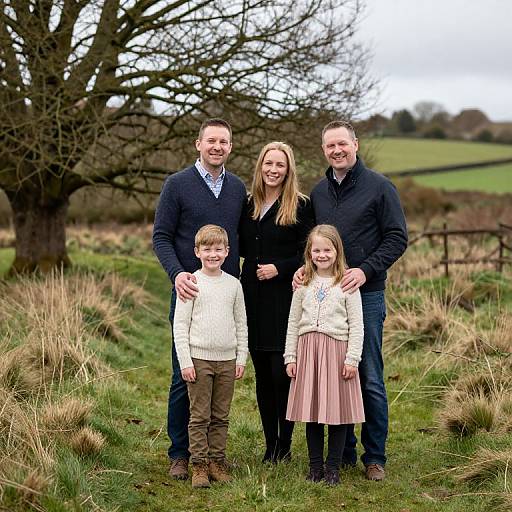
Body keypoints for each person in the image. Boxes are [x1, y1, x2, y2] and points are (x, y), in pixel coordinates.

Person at [295, 120, 408, 481]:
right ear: (324, 150)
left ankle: (374, 456)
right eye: (330, 146)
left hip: (367, 296)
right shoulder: (319, 193)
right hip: (326, 299)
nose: (337, 151)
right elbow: (315, 243)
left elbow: (396, 237)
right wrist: (303, 270)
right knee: (331, 375)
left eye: (342, 144)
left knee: (368, 375)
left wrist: (366, 270)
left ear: (355, 144)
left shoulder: (379, 187)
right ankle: (342, 453)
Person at [153, 119, 246, 480]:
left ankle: (212, 457)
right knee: (184, 376)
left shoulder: (237, 189)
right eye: (211, 140)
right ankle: (181, 453)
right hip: (188, 293)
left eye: (224, 141)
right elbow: (161, 237)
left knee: (219, 382)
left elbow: (241, 237)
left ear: (230, 147)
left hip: (224, 294)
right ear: (198, 144)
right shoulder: (176, 185)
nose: (217, 146)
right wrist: (177, 273)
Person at [239, 141, 314, 463]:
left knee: (281, 375)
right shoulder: (247, 204)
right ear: (260, 167)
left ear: (288, 169)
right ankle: (270, 445)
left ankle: (285, 443)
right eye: (268, 164)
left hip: (284, 299)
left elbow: (309, 250)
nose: (273, 170)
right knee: (261, 378)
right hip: (251, 299)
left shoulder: (300, 205)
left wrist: (281, 268)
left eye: (279, 165)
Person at [285, 225, 365, 485]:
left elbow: (357, 325)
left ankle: (333, 468)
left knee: (337, 414)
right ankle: (315, 467)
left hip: (337, 353)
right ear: (310, 252)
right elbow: (293, 322)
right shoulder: (303, 282)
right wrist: (291, 356)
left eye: (327, 250)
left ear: (336, 251)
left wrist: (352, 359)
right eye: (316, 250)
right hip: (309, 352)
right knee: (313, 411)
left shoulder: (347, 283)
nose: (322, 255)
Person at [173, 225, 248, 488]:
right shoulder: (191, 283)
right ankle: (199, 466)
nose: (213, 254)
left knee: (220, 416)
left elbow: (241, 324)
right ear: (197, 252)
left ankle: (217, 462)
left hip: (227, 360)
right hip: (199, 361)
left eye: (218, 249)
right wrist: (185, 361)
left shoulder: (234, 285)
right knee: (199, 416)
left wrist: (241, 358)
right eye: (207, 249)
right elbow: (180, 326)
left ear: (227, 252)